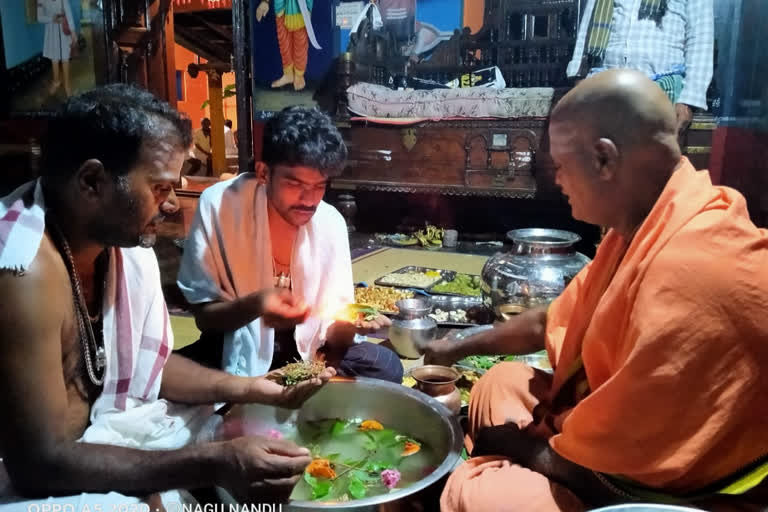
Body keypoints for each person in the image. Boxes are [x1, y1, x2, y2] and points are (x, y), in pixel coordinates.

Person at [426, 70, 768, 511]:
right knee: (500, 381)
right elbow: (553, 320)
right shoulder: (650, 223)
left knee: (478, 492)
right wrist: (454, 348)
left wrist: (521, 449)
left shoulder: (689, 268)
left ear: (604, 159)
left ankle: (495, 474)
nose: (557, 182)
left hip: (672, 495)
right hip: (614, 449)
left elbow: (623, 475)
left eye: (560, 168)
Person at [0, 85, 333, 511]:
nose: (173, 205)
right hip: (30, 475)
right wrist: (210, 464)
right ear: (91, 182)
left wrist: (254, 388)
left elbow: (147, 362)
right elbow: (39, 464)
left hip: (103, 427)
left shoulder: (118, 250)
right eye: (159, 188)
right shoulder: (24, 273)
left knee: (229, 425)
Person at [177, 106, 403, 383]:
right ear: (263, 173)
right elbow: (205, 318)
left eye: (320, 185)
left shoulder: (330, 222)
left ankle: (283, 386)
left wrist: (349, 324)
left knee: (386, 365)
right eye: (294, 183)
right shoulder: (219, 205)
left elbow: (331, 335)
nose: (309, 199)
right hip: (232, 345)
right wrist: (258, 304)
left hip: (308, 353)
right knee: (162, 377)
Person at [567, 0, 714, 136]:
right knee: (605, 158)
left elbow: (700, 39)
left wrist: (689, 100)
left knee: (650, 159)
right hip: (606, 86)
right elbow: (587, 27)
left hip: (661, 89)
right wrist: (579, 78)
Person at [255, 0, 322, 91]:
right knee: (284, 41)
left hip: (302, 7)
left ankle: (299, 75)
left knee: (300, 42)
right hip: (281, 5)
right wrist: (265, 2)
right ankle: (288, 75)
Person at [38, 0, 77, 97]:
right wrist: (52, 19)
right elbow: (39, 18)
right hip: (51, 30)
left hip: (63, 29)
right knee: (54, 57)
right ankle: (56, 81)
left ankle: (67, 85)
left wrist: (73, 32)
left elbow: (69, 14)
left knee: (65, 57)